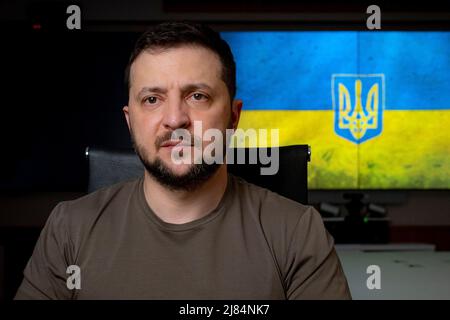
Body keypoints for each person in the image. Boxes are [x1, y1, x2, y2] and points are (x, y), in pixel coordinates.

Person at [15, 21, 351, 300]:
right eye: (152, 98)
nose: (175, 118)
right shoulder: (68, 229)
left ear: (234, 118)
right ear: (130, 121)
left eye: (198, 96)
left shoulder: (298, 232)